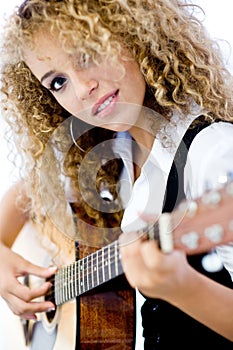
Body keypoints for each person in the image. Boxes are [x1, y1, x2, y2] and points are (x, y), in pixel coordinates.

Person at [0, 0, 233, 349]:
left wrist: (183, 287)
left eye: (87, 53)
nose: (81, 89)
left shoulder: (212, 153)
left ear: (134, 34)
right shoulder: (112, 152)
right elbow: (28, 191)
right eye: (58, 82)